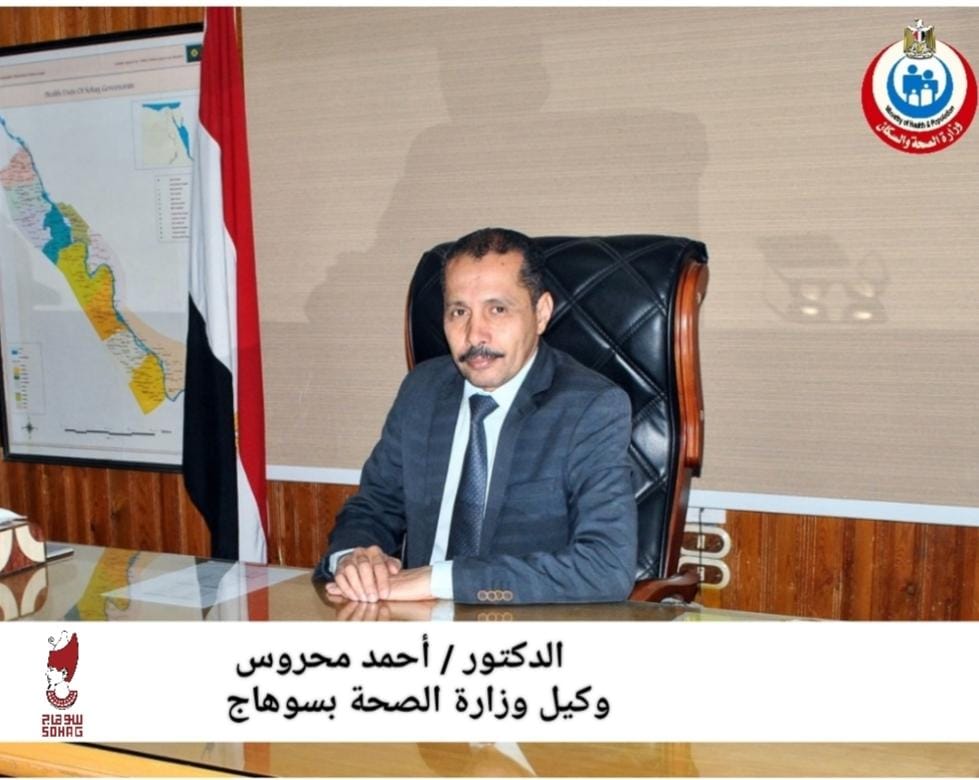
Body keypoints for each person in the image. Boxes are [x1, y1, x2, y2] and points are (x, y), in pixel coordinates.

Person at [316, 227, 637, 604]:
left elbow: (606, 566)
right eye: (459, 312)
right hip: (410, 621)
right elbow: (375, 506)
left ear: (541, 313)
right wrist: (353, 557)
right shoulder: (423, 390)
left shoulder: (589, 407)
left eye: (497, 309)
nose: (474, 335)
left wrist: (440, 581)